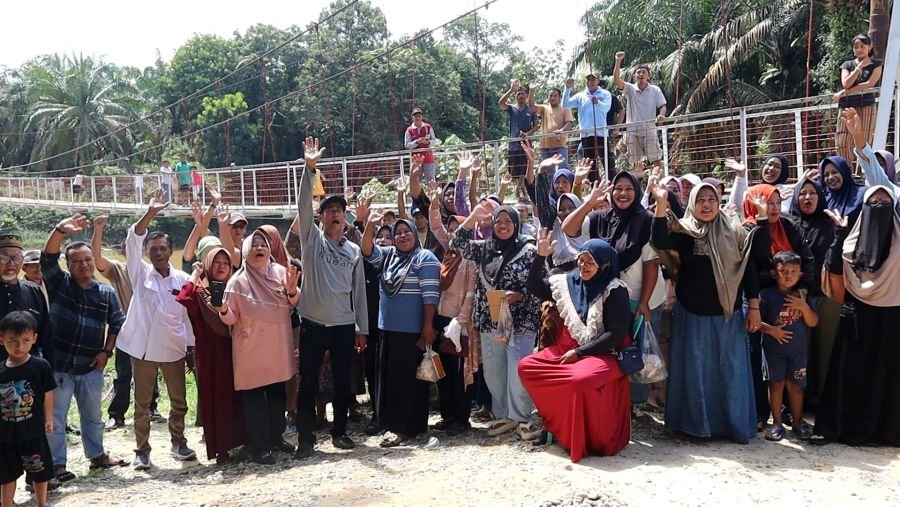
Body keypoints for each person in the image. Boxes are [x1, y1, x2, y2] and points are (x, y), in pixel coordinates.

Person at [650, 182, 769, 443]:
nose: (706, 205)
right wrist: (661, 203)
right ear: (692, 202)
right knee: (695, 373)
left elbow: (755, 264)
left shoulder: (735, 230)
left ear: (718, 202)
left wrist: (755, 307)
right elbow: (659, 240)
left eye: (711, 199)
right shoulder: (685, 231)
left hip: (728, 316)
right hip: (692, 316)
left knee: (730, 373)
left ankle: (732, 426)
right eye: (701, 199)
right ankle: (694, 426)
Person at [521, 237, 632, 461]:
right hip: (568, 349)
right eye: (581, 260)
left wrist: (580, 353)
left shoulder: (614, 290)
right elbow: (534, 286)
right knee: (527, 367)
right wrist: (540, 256)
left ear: (604, 265)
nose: (583, 266)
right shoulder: (568, 283)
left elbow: (616, 334)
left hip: (604, 353)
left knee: (579, 380)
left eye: (590, 262)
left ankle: (581, 439)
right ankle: (556, 426)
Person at [563, 172, 665, 408]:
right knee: (611, 347)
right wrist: (589, 202)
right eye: (618, 188)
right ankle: (615, 402)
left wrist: (644, 302)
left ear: (637, 192)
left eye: (629, 189)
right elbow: (569, 229)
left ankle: (636, 404)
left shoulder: (645, 220)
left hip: (642, 295)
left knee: (636, 350)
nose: (623, 194)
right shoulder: (600, 218)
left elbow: (651, 264)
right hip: (607, 298)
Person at [294, 137, 368, 460]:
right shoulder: (312, 241)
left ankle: (340, 433)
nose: (335, 215)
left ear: (345, 218)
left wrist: (361, 328)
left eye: (339, 211)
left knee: (342, 382)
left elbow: (360, 294)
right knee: (307, 384)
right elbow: (301, 206)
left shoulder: (353, 251)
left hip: (342, 325)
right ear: (321, 218)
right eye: (329, 211)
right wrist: (309, 169)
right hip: (311, 323)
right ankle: (306, 440)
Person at [41, 215, 128, 481]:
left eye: (88, 260)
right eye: (76, 261)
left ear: (94, 262)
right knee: (55, 419)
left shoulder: (105, 292)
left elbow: (116, 323)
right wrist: (59, 231)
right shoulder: (59, 284)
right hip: (59, 366)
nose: (83, 265)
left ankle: (97, 456)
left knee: (93, 416)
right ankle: (57, 465)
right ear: (69, 265)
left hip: (91, 365)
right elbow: (47, 258)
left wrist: (107, 352)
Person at [116, 189, 197, 470]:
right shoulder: (138, 274)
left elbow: (188, 317)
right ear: (147, 253)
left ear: (170, 251)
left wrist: (190, 347)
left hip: (173, 347)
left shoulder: (183, 278)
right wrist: (151, 212)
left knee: (179, 401)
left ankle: (178, 442)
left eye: (163, 248)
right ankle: (142, 449)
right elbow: (133, 239)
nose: (159, 252)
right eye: (153, 249)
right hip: (143, 350)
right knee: (142, 404)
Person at [816, 185, 900, 446]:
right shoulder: (849, 242)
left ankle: (888, 432)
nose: (878, 208)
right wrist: (839, 234)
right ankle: (843, 429)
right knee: (850, 374)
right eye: (872, 203)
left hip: (893, 317)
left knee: (889, 375)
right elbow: (833, 271)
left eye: (885, 204)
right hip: (856, 316)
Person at [451, 204, 541, 440]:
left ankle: (522, 416)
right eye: (498, 221)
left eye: (508, 222)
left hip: (521, 318)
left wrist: (521, 295)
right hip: (494, 316)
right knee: (495, 369)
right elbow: (456, 244)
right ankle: (504, 414)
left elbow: (542, 281)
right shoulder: (485, 248)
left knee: (518, 367)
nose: (502, 226)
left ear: (516, 224)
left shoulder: (529, 250)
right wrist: (472, 218)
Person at [217, 230, 299, 464]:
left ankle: (276, 438)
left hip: (276, 347)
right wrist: (222, 309)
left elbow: (295, 301)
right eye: (254, 245)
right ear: (245, 252)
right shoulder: (237, 282)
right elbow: (231, 318)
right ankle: (260, 447)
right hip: (250, 350)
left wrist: (292, 290)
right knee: (254, 402)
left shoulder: (282, 273)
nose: (260, 248)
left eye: (263, 244)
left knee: (276, 397)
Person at [361, 213, 440, 446]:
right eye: (398, 233)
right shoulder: (389, 256)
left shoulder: (424, 258)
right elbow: (367, 250)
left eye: (407, 232)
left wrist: (427, 327)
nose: (402, 236)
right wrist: (370, 225)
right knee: (391, 380)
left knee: (409, 381)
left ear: (415, 234)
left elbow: (430, 296)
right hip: (387, 330)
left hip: (412, 331)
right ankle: (393, 423)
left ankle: (407, 428)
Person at [91, 216, 163, 430]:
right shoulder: (117, 269)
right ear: (124, 252)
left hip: (150, 329)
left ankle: (151, 408)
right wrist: (98, 231)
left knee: (151, 371)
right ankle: (117, 414)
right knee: (124, 373)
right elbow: (97, 258)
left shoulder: (152, 271)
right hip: (126, 330)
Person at [177, 246, 245, 464]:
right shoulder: (200, 292)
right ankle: (221, 449)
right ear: (208, 265)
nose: (222, 266)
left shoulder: (234, 289)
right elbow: (183, 296)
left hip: (235, 350)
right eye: (217, 262)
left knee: (238, 397)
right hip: (210, 355)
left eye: (226, 263)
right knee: (216, 399)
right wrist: (195, 274)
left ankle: (242, 441)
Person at [758, 251, 818, 442]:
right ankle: (776, 423)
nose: (788, 275)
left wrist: (803, 307)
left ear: (800, 274)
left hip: (798, 352)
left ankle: (798, 423)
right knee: (775, 385)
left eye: (793, 271)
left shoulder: (802, 296)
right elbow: (755, 322)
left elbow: (813, 322)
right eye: (783, 271)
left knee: (797, 388)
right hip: (773, 351)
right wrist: (772, 330)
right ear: (774, 273)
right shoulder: (765, 295)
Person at [787, 177, 838, 400]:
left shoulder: (829, 223)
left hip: (826, 295)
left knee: (826, 348)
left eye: (812, 193)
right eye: (803, 193)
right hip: (795, 295)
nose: (807, 197)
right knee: (800, 349)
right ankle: (799, 400)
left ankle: (824, 399)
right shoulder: (788, 223)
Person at [0, 311, 55, 507]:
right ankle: (6, 503)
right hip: (6, 435)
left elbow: (48, 393)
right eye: (13, 341)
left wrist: (48, 418)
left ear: (34, 338)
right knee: (6, 475)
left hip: (33, 431)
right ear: (2, 340)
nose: (19, 346)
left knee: (40, 471)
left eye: (25, 340)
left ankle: (42, 503)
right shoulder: (1, 371)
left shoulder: (40, 366)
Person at [0, 233, 52, 365]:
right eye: (4, 257)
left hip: (27, 370)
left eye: (17, 258)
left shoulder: (33, 291)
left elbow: (45, 333)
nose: (11, 264)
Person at [613, 52, 667, 176]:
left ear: (649, 76)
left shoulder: (655, 90)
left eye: (643, 72)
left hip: (650, 129)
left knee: (656, 160)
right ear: (634, 76)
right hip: (633, 131)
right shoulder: (630, 88)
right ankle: (637, 190)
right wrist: (617, 61)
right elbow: (617, 80)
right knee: (635, 163)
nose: (641, 74)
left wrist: (661, 115)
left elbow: (662, 105)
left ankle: (658, 184)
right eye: (638, 72)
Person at [833, 34, 883, 162]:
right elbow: (846, 83)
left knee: (864, 139)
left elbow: (869, 84)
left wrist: (843, 92)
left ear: (869, 47)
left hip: (866, 105)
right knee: (843, 141)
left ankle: (862, 171)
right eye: (856, 47)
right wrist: (858, 68)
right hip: (847, 106)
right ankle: (845, 170)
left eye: (862, 46)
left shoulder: (876, 64)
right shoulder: (847, 65)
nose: (859, 49)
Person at [563, 74, 612, 182]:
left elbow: (606, 108)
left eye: (593, 79)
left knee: (608, 162)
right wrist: (567, 89)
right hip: (586, 135)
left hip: (601, 133)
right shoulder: (580, 96)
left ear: (598, 81)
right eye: (589, 79)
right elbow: (565, 105)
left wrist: (598, 103)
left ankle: (613, 185)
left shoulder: (605, 94)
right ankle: (596, 186)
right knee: (590, 165)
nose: (591, 82)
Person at [498, 80, 539, 196]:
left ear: (526, 96)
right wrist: (511, 90)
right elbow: (501, 104)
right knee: (514, 171)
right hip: (513, 145)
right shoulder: (512, 108)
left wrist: (527, 134)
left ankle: (521, 188)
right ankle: (520, 189)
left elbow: (536, 126)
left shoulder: (530, 109)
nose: (520, 96)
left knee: (526, 167)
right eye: (518, 94)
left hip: (526, 145)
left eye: (522, 93)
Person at [726, 156, 795, 214]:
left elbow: (781, 213)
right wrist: (740, 175)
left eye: (777, 167)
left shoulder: (786, 193)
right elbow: (736, 207)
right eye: (770, 164)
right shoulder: (755, 190)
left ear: (783, 172)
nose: (771, 168)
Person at [528, 83, 575, 166]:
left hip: (559, 145)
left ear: (559, 97)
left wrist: (561, 131)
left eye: (555, 96)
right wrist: (531, 90)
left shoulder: (565, 109)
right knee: (548, 174)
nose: (552, 98)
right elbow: (531, 107)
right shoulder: (544, 108)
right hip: (545, 146)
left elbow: (569, 123)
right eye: (550, 95)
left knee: (562, 171)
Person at [818, 155, 866, 227]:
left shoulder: (862, 194)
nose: (830, 177)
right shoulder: (822, 198)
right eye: (826, 175)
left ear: (844, 172)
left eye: (835, 172)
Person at [404, 108, 439, 182]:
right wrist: (417, 142)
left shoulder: (428, 127)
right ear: (412, 117)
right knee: (416, 181)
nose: (417, 118)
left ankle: (433, 193)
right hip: (416, 159)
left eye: (419, 116)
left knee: (431, 180)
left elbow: (434, 141)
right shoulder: (409, 130)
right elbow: (407, 145)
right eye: (415, 116)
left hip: (428, 158)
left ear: (422, 117)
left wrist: (428, 142)